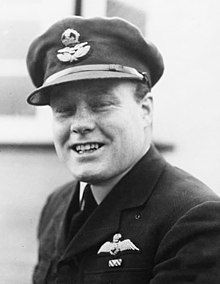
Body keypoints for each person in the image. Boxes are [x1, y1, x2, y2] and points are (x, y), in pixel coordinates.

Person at [26, 16, 220, 284]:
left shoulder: (194, 219)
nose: (80, 125)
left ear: (145, 110)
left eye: (101, 104)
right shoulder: (56, 206)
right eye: (64, 110)